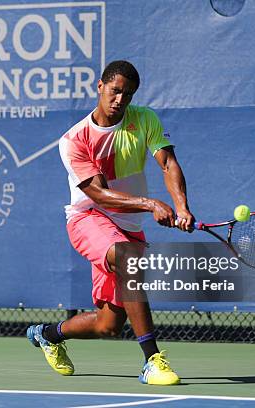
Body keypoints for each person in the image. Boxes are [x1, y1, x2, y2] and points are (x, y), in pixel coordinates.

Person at [27, 60, 194, 385]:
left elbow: (168, 162)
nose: (120, 100)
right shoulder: (75, 140)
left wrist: (181, 206)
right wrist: (150, 204)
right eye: (115, 91)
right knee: (128, 259)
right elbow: (100, 195)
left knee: (108, 324)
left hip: (127, 227)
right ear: (100, 87)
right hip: (88, 219)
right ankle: (152, 361)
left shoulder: (144, 119)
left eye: (127, 95)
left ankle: (48, 334)